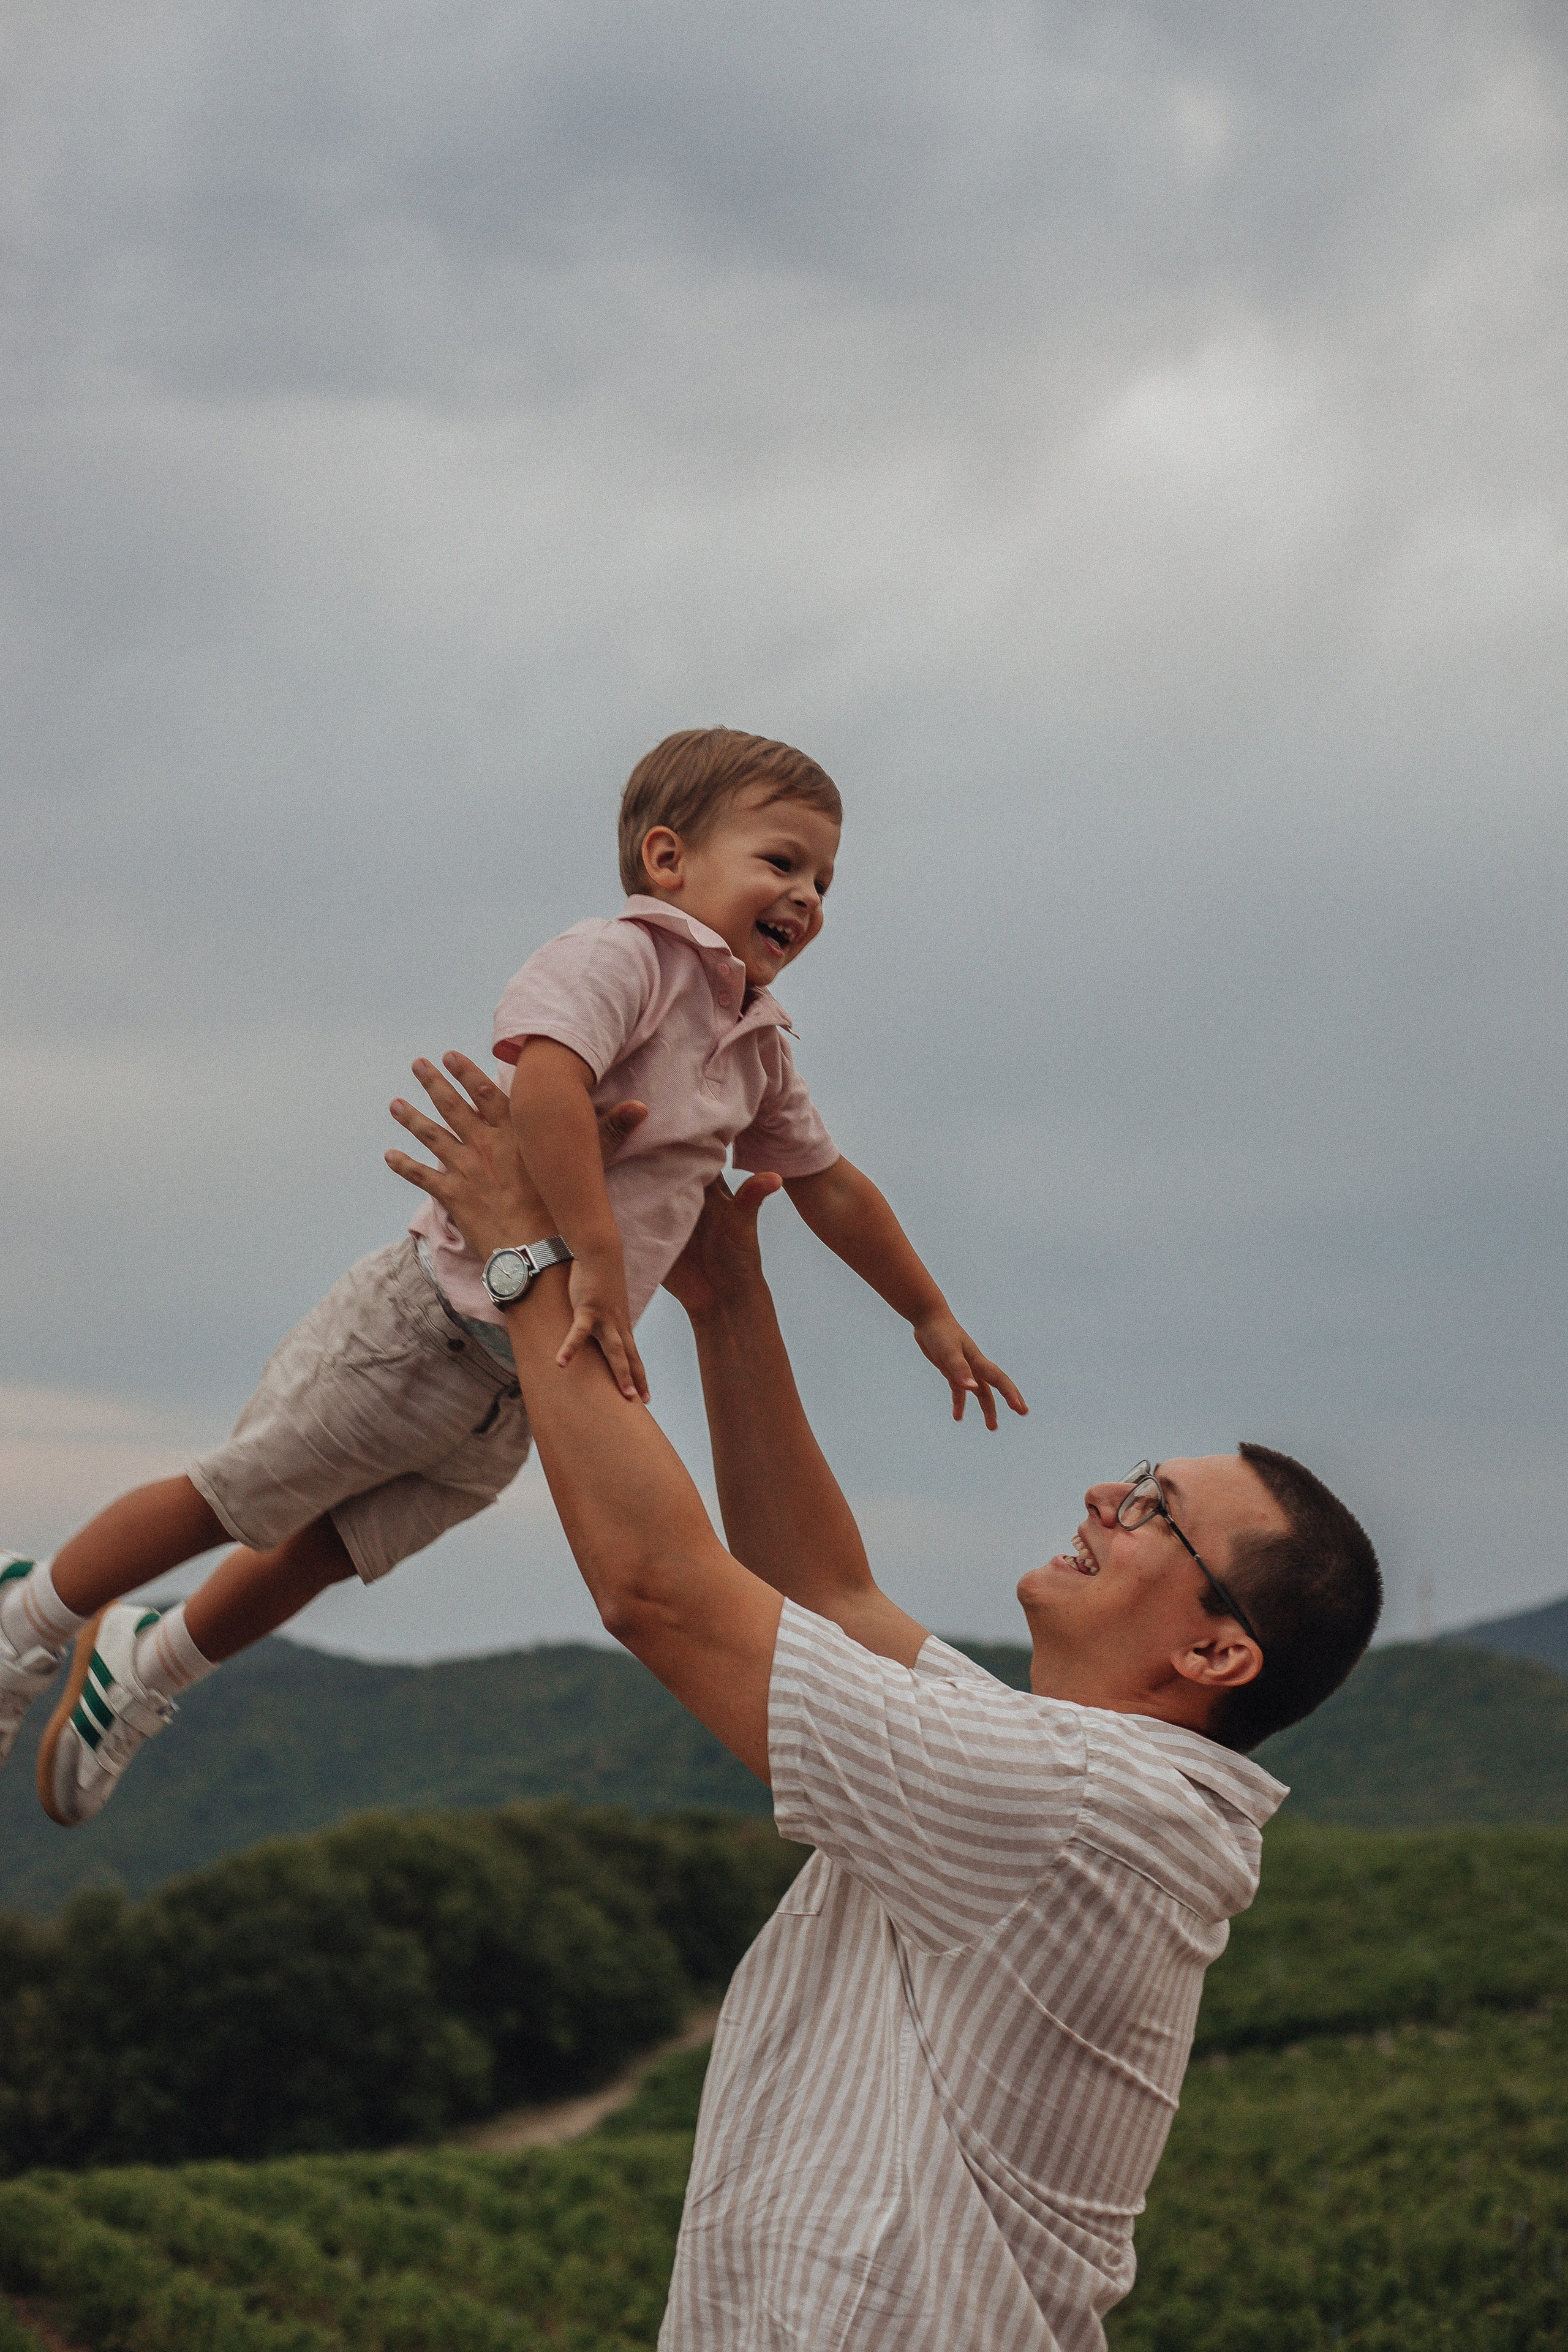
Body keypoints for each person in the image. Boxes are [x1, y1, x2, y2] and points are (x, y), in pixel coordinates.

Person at [380, 1052, 1382, 2352]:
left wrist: (526, 1260)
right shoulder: (1089, 1790)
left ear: (1213, 1654)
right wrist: (728, 1300)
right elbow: (826, 1595)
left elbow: (659, 1594)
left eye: (1155, 1512)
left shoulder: (1073, 1804)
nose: (1104, 1497)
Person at [1, 726, 1023, 1828]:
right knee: (240, 1494)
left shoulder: (757, 1043)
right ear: (669, 860)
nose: (808, 896)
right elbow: (545, 1083)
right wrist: (597, 1252)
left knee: (335, 1550)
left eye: (824, 880)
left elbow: (830, 1183)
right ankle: (28, 1619)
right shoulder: (625, 960)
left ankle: (146, 1666)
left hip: (532, 1376)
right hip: (431, 1320)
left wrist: (927, 1312)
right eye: (782, 861)